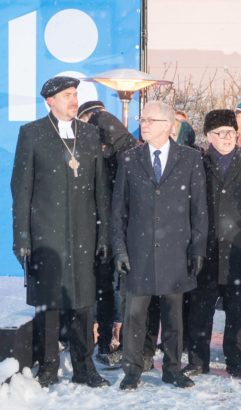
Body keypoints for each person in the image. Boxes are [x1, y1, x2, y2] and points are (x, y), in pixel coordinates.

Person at [11, 76, 110, 388]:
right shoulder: (32, 134)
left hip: (83, 233)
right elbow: (21, 190)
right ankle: (49, 367)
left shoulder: (91, 134)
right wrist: (22, 239)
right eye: (67, 95)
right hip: (46, 235)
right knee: (49, 305)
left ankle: (84, 366)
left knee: (84, 304)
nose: (73, 100)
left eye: (75, 94)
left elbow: (101, 191)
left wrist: (104, 234)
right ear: (49, 101)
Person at [110, 100, 208, 391]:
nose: (144, 124)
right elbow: (119, 212)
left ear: (168, 125)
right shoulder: (130, 159)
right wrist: (119, 249)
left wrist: (198, 250)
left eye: (151, 120)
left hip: (176, 254)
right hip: (138, 254)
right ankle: (132, 370)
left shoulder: (190, 159)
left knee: (173, 317)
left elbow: (199, 211)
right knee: (134, 316)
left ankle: (173, 369)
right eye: (143, 119)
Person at [183, 109, 241, 379]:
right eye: (219, 133)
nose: (226, 138)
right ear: (208, 136)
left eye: (230, 133)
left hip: (239, 250)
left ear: (238, 134)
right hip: (204, 252)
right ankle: (198, 360)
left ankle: (236, 361)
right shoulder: (196, 163)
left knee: (239, 312)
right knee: (200, 310)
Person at [78, 100, 139, 367]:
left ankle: (110, 342)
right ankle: (116, 343)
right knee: (116, 292)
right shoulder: (128, 153)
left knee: (113, 291)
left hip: (110, 233)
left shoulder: (109, 155)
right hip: (115, 233)